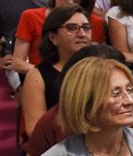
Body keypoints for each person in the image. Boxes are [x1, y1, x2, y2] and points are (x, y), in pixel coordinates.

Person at [19, 7, 96, 140]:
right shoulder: (38, 76)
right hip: (60, 146)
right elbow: (35, 130)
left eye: (86, 27)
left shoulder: (101, 67)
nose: (82, 34)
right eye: (72, 28)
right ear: (53, 37)